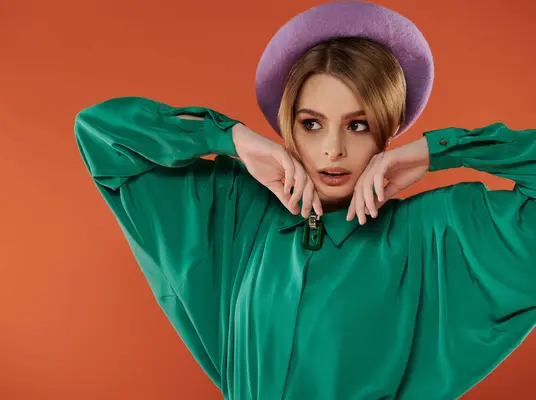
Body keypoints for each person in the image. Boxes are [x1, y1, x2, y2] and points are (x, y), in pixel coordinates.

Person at [74, 1, 536, 399]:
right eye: (312, 123)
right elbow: (100, 133)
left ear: (386, 128)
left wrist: (437, 152)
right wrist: (228, 138)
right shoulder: (236, 208)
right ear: (288, 125)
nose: (332, 150)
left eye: (358, 125)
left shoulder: (433, 233)